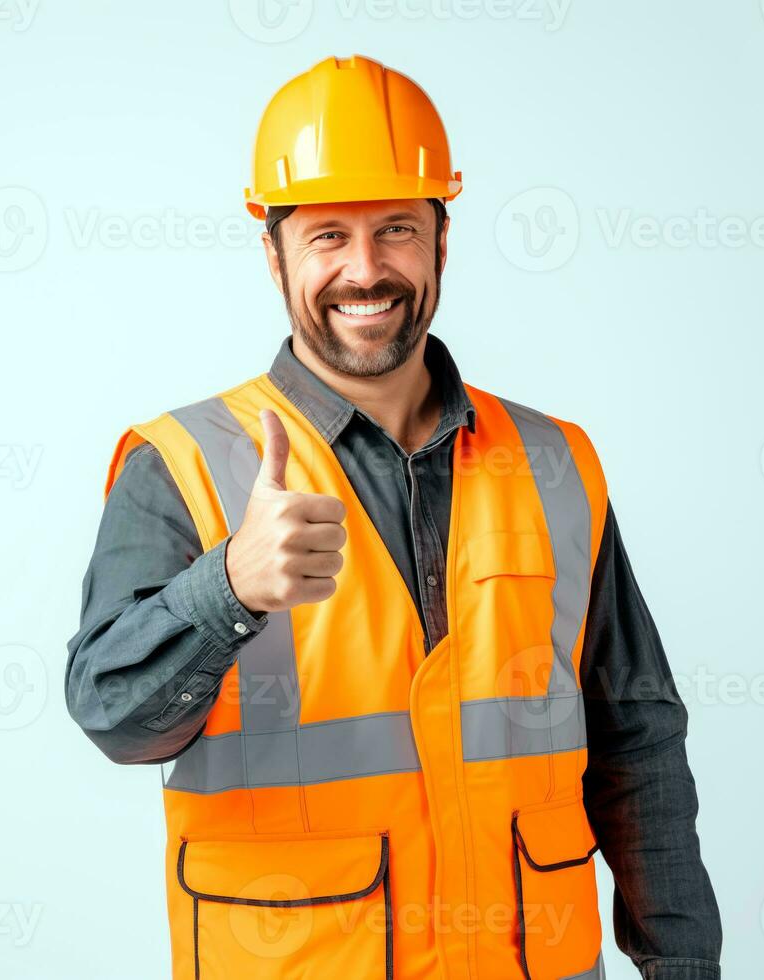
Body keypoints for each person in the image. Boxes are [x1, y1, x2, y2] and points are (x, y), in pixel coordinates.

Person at [65, 54, 721, 980]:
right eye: (328, 234)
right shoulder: (181, 463)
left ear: (442, 242)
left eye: (398, 230)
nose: (365, 270)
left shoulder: (555, 462)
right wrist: (229, 588)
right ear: (274, 251)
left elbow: (639, 738)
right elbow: (114, 719)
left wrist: (683, 966)